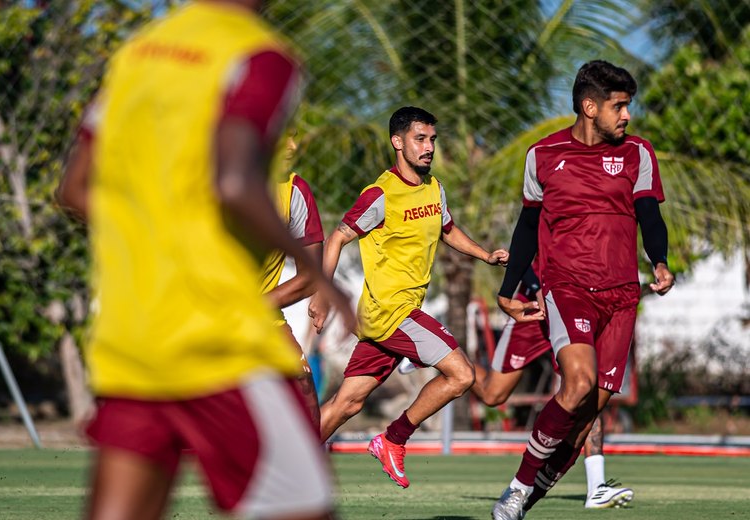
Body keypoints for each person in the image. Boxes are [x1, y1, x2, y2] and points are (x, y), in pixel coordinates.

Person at [55, 1, 356, 519]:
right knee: (306, 504)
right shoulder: (259, 56)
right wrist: (315, 276)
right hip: (216, 340)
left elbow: (74, 190)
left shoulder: (138, 52)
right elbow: (235, 181)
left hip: (132, 337)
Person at [492, 60, 674, 520]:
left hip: (621, 297)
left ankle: (526, 500)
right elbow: (528, 226)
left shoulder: (638, 154)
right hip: (567, 287)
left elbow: (650, 215)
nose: (627, 115)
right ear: (589, 107)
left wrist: (660, 261)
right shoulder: (543, 155)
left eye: (628, 105)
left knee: (585, 416)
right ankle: (515, 488)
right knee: (576, 384)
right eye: (619, 106)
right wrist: (508, 288)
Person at [310, 106, 509, 489]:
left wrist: (485, 254)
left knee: (346, 404)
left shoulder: (434, 189)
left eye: (432, 139)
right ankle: (393, 439)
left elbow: (447, 228)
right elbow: (337, 237)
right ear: (397, 142)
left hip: (394, 317)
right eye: (420, 139)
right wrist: (322, 292)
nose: (429, 147)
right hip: (391, 312)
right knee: (462, 374)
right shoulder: (380, 194)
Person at [471, 263, 633, 509]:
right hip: (535, 310)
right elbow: (522, 246)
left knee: (584, 388)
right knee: (493, 394)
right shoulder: (546, 223)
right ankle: (445, 357)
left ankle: (596, 486)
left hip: (573, 304)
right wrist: (536, 286)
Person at [260, 135, 326, 430]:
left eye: (295, 137)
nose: (292, 147)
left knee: (304, 392)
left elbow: (310, 275)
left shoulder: (294, 190)